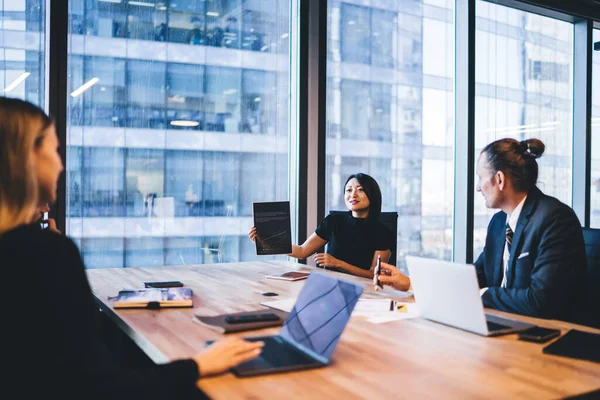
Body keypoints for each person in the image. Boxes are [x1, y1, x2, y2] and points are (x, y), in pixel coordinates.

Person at [0, 97, 263, 399]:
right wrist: (199, 365)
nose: (60, 165)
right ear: (25, 158)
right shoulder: (42, 254)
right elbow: (98, 388)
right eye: (53, 150)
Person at [376, 138, 587, 321]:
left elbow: (541, 301)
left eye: (480, 177)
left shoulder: (555, 219)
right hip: (504, 326)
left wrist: (482, 294)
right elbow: (473, 279)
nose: (478, 187)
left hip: (545, 340)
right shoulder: (498, 224)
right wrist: (412, 283)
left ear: (499, 180)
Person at [249, 173, 394, 279]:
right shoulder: (333, 221)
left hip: (363, 291)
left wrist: (338, 264)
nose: (353, 195)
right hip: (330, 286)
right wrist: (267, 241)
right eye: (349, 190)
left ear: (372, 195)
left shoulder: (382, 232)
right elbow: (302, 251)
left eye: (360, 189)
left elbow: (373, 275)